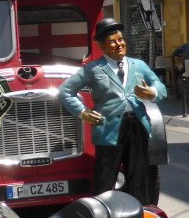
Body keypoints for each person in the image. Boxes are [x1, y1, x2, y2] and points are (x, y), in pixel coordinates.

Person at [59, 18, 167, 202]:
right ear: (102, 45)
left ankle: (141, 213)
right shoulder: (93, 69)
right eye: (112, 41)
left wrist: (152, 91)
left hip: (137, 126)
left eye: (120, 39)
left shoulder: (138, 65)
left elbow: (160, 86)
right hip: (108, 129)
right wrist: (82, 111)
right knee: (105, 178)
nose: (119, 44)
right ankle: (102, 216)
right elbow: (65, 90)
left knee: (139, 174)